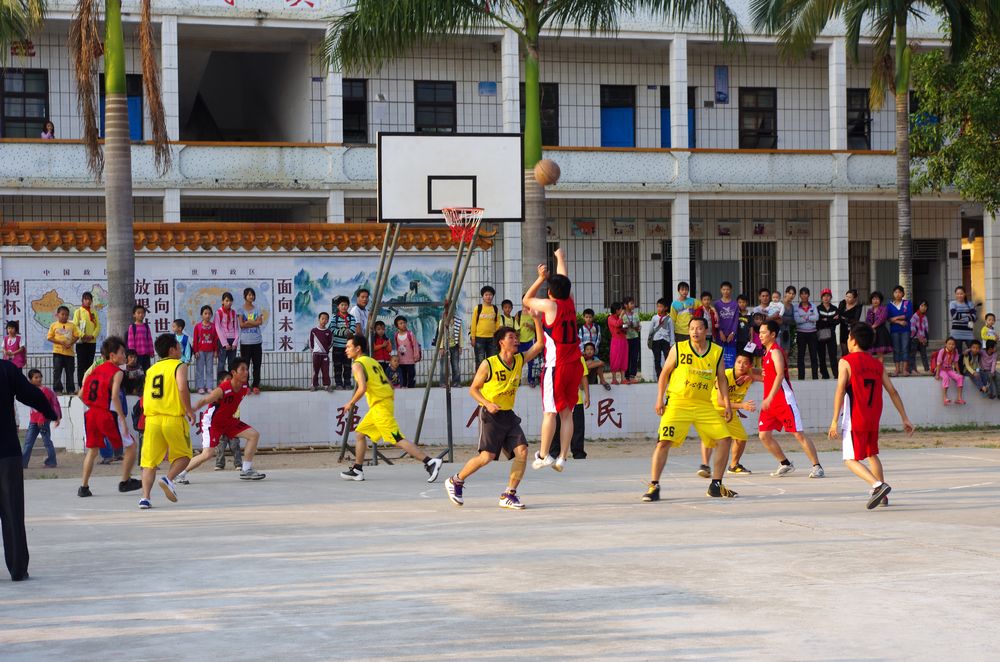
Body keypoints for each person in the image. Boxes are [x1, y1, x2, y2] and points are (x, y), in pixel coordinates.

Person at [444, 319, 545, 509]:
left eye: (516, 337)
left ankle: (509, 494)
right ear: (501, 342)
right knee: (487, 457)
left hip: (508, 415)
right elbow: (473, 389)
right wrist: (487, 403)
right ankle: (456, 480)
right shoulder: (489, 364)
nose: (516, 340)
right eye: (511, 337)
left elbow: (539, 344)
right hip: (490, 416)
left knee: (523, 451)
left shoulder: (519, 359)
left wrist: (537, 320)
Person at [643, 317, 737, 502]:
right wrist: (659, 399)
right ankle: (654, 485)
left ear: (706, 331)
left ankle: (716, 485)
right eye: (692, 328)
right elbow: (664, 374)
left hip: (704, 405)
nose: (695, 331)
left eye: (699, 328)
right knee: (663, 442)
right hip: (678, 403)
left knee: (725, 439)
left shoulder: (716, 351)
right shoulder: (679, 348)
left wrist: (727, 404)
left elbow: (722, 379)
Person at [828, 322, 915, 509]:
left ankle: (878, 486)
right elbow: (892, 391)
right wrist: (904, 417)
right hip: (873, 417)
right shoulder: (877, 364)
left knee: (849, 459)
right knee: (871, 453)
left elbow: (840, 390)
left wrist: (834, 420)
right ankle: (883, 496)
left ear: (853, 340)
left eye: (848, 337)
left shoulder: (846, 361)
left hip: (856, 417)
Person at [339, 335, 443, 482]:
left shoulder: (357, 364)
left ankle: (430, 462)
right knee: (360, 434)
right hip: (381, 404)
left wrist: (350, 403)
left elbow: (362, 388)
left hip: (380, 407)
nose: (346, 349)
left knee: (396, 438)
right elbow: (389, 383)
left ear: (358, 349)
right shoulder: (372, 361)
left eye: (348, 347)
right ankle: (357, 469)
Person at [524, 248, 583, 472]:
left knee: (550, 412)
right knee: (567, 413)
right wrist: (560, 258)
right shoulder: (570, 302)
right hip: (575, 366)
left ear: (550, 292)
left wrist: (540, 278)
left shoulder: (551, 306)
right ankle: (563, 458)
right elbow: (564, 279)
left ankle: (543, 455)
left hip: (556, 367)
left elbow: (527, 299)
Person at [0, 357, 58, 581]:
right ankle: (17, 568)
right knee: (12, 511)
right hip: (7, 451)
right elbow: (30, 394)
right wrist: (50, 412)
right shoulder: (6, 369)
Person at [176, 358, 266, 482]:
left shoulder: (244, 386)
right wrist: (191, 410)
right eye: (242, 369)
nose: (246, 372)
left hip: (228, 421)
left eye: (247, 369)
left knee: (254, 435)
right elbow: (204, 400)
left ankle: (246, 470)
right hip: (212, 422)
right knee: (207, 454)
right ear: (234, 373)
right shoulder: (223, 389)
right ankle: (179, 474)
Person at [757, 320, 825, 478]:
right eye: (759, 332)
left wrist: (770, 397)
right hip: (770, 402)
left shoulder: (775, 352)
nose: (760, 335)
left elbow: (780, 375)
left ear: (773, 334)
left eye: (763, 332)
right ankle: (785, 463)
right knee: (764, 435)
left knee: (798, 434)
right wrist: (750, 375)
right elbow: (768, 377)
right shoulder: (766, 354)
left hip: (783, 400)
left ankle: (817, 466)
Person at [78, 336, 143, 497]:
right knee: (131, 446)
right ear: (112, 355)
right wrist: (122, 418)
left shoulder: (95, 370)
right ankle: (125, 481)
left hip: (91, 414)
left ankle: (83, 487)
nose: (124, 356)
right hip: (106, 414)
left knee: (92, 451)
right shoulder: (117, 372)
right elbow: (114, 397)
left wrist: (94, 404)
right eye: (122, 353)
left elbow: (80, 394)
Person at [138, 334, 197, 510]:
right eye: (179, 346)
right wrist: (189, 410)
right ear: (172, 350)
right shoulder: (179, 365)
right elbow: (182, 388)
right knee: (185, 456)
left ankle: (145, 498)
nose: (181, 349)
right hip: (172, 418)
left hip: (152, 420)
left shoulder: (151, 369)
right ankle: (168, 479)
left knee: (149, 462)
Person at [698, 351, 761, 475]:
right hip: (714, 410)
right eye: (738, 362)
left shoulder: (748, 376)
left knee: (741, 438)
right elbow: (721, 402)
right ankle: (705, 466)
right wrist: (742, 406)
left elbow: (769, 376)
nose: (741, 365)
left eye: (745, 363)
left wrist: (752, 376)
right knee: (709, 438)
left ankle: (733, 466)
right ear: (734, 363)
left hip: (730, 413)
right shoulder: (725, 375)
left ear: (750, 366)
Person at [552, 354, 590, 460]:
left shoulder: (579, 358)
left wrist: (587, 395)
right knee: (556, 426)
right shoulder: (555, 356)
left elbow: (583, 377)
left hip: (576, 400)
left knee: (578, 428)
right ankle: (555, 453)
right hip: (559, 399)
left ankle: (578, 453)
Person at [21, 369, 61, 468]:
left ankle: (52, 462)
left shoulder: (45, 391)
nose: (39, 379)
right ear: (30, 380)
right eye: (36, 377)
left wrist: (41, 418)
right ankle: (23, 463)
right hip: (33, 421)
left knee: (47, 442)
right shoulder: (30, 390)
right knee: (28, 442)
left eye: (40, 377)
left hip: (43, 421)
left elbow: (45, 406)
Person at [47, 305, 81, 394]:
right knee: (57, 372)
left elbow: (77, 336)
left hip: (69, 354)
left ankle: (70, 390)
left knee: (70, 372)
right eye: (62, 314)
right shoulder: (53, 325)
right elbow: (49, 337)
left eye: (66, 315)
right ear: (57, 314)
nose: (64, 316)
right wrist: (60, 342)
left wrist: (71, 343)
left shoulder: (72, 325)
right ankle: (58, 390)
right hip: (57, 352)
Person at [238, 287, 264, 394]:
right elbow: (241, 325)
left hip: (257, 341)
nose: (251, 296)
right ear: (245, 296)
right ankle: (245, 385)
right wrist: (254, 322)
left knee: (257, 365)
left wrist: (248, 322)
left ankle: (256, 385)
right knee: (245, 365)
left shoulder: (257, 309)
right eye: (249, 295)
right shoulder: (240, 310)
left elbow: (260, 322)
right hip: (245, 342)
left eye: (252, 295)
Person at [72, 292, 101, 387]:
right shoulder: (78, 312)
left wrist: (93, 336)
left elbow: (98, 326)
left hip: (92, 342)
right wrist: (83, 335)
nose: (88, 301)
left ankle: (89, 385)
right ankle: (81, 386)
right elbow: (75, 326)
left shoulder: (94, 312)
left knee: (90, 365)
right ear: (82, 300)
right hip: (81, 342)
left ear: (91, 301)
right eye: (86, 299)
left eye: (89, 299)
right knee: (81, 365)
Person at [330, 296, 357, 390]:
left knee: (347, 366)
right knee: (337, 366)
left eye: (346, 305)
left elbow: (353, 329)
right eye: (342, 305)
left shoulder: (351, 318)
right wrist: (344, 332)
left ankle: (347, 383)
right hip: (337, 346)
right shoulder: (334, 318)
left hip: (348, 347)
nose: (344, 307)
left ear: (348, 306)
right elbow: (332, 329)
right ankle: (338, 384)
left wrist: (345, 332)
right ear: (338, 306)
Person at [793, 287, 819, 380]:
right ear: (800, 295)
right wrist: (810, 317)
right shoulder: (796, 306)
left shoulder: (813, 306)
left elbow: (816, 317)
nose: (804, 296)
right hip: (801, 333)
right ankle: (801, 377)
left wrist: (805, 317)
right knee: (801, 356)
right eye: (802, 294)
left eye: (806, 294)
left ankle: (815, 377)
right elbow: (797, 320)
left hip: (812, 333)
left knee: (813, 355)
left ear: (809, 295)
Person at [887, 286, 913, 377]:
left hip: (905, 330)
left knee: (905, 348)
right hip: (894, 330)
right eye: (896, 292)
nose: (897, 294)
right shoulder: (889, 305)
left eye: (899, 292)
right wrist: (899, 321)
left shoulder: (907, 303)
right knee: (896, 349)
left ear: (903, 294)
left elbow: (909, 314)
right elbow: (888, 318)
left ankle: (905, 369)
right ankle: (897, 369)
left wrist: (895, 318)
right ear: (893, 294)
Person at [470, 286, 499, 367]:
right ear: (483, 296)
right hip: (479, 338)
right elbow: (473, 324)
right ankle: (480, 375)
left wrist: (497, 337)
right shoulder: (478, 308)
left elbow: (497, 324)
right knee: (480, 361)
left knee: (492, 360)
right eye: (486, 295)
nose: (488, 297)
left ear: (493, 296)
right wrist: (473, 338)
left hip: (492, 338)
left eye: (490, 295)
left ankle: (490, 375)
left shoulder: (495, 309)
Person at [192, 305, 218, 394]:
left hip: (210, 351)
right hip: (200, 351)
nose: (207, 315)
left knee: (209, 369)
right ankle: (200, 387)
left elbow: (215, 340)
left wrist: (215, 351)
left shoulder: (213, 326)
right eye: (205, 313)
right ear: (201, 315)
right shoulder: (198, 326)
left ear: (211, 315)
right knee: (200, 369)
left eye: (209, 314)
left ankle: (209, 386)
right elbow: (195, 340)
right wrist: (195, 351)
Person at [215, 292, 240, 379]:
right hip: (223, 341)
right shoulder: (218, 312)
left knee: (232, 364)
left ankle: (232, 383)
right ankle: (220, 383)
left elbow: (236, 328)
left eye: (230, 301)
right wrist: (224, 343)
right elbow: (218, 328)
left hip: (232, 340)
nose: (229, 303)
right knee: (221, 363)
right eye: (227, 300)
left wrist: (235, 342)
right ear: (222, 301)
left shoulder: (233, 312)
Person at [714, 282, 740, 368]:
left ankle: (730, 372)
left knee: (730, 356)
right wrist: (720, 332)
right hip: (720, 334)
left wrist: (732, 333)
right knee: (720, 354)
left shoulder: (735, 304)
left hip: (731, 335)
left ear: (731, 290)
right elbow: (716, 320)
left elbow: (736, 320)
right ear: (721, 290)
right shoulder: (716, 304)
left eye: (728, 289)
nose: (726, 291)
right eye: (724, 289)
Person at [816, 288, 840, 379]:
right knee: (821, 355)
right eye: (824, 296)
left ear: (831, 297)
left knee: (833, 355)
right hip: (820, 334)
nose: (826, 298)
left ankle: (836, 374)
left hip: (831, 334)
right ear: (821, 297)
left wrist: (825, 320)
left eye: (828, 296)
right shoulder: (818, 308)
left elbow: (837, 321)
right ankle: (824, 375)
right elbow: (818, 322)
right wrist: (831, 320)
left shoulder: (834, 308)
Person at [933, 337, 965, 405]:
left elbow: (956, 362)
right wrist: (937, 374)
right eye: (949, 344)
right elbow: (938, 363)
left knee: (960, 377)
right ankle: (945, 398)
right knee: (946, 378)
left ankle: (959, 398)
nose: (951, 346)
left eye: (953, 344)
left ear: (955, 345)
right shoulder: (942, 351)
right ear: (946, 344)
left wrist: (959, 373)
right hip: (941, 369)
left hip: (949, 369)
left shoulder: (955, 351)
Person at [649, 297, 674, 377]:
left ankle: (668, 375)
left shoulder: (669, 319)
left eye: (661, 306)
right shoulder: (654, 318)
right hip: (656, 340)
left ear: (666, 308)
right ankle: (659, 376)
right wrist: (650, 340)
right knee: (657, 359)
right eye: (658, 306)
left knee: (668, 358)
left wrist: (672, 343)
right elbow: (651, 330)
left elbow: (671, 331)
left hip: (666, 340)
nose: (659, 308)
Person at [393, 315, 421, 388]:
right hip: (401, 361)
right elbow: (397, 347)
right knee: (403, 376)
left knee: (411, 375)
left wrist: (416, 356)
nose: (403, 325)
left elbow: (415, 345)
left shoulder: (410, 334)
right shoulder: (396, 335)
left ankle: (411, 389)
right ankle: (404, 388)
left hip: (410, 360)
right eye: (401, 323)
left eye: (404, 323)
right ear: (397, 326)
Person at [435, 315, 462, 387]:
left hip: (455, 346)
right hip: (445, 346)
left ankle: (456, 382)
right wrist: (441, 347)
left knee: (456, 365)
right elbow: (440, 336)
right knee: (444, 366)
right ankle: (443, 382)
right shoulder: (442, 321)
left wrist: (460, 346)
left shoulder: (457, 321)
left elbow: (460, 335)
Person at [949, 286, 977, 356]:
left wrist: (961, 315)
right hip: (956, 332)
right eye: (957, 294)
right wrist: (967, 315)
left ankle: (971, 363)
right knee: (958, 354)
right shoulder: (953, 303)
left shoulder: (970, 303)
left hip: (968, 332)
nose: (959, 295)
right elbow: (954, 316)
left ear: (964, 294)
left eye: (961, 293)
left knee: (973, 351)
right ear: (955, 295)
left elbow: (974, 317)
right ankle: (959, 363)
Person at [126, 304, 155, 371]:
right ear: (134, 315)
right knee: (137, 371)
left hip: (146, 354)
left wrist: (151, 352)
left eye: (142, 313)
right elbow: (131, 342)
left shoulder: (146, 326)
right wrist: (132, 355)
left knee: (146, 371)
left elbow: (149, 340)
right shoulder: (132, 327)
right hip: (137, 355)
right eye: (138, 313)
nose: (141, 315)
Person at [515, 308, 539, 387]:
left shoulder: (533, 314)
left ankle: (530, 379)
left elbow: (538, 328)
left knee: (530, 361)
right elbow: (515, 328)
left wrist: (530, 326)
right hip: (520, 342)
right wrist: (516, 339)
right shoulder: (518, 314)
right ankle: (517, 380)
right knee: (519, 361)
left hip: (530, 341)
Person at [310, 311, 333, 391]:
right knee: (315, 370)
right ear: (319, 319)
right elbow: (311, 342)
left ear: (328, 321)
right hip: (316, 355)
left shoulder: (328, 331)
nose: (324, 320)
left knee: (325, 370)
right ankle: (314, 385)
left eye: (326, 319)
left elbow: (330, 343)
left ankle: (326, 385)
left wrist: (325, 350)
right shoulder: (314, 331)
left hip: (325, 355)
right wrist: (314, 351)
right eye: (322, 319)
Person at [607, 301, 628, 385]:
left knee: (624, 358)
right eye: (621, 309)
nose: (622, 311)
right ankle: (614, 379)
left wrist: (626, 326)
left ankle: (623, 379)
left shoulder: (620, 317)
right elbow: (616, 324)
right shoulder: (610, 318)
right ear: (617, 310)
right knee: (615, 358)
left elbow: (623, 326)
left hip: (623, 340)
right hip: (616, 341)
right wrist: (621, 316)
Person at [866, 292, 891, 359]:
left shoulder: (884, 309)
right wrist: (870, 328)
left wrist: (872, 327)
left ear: (880, 300)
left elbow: (881, 319)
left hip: (881, 332)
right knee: (869, 353)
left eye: (877, 299)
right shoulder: (869, 310)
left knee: (880, 353)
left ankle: (880, 366)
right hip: (871, 332)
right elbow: (867, 321)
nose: (875, 301)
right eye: (873, 299)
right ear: (871, 300)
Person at [622, 296, 641, 383]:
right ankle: (626, 376)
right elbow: (621, 327)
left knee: (634, 357)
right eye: (631, 303)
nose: (633, 305)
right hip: (626, 339)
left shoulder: (636, 315)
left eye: (633, 303)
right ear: (626, 305)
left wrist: (635, 326)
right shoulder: (622, 315)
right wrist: (627, 325)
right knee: (626, 357)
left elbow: (639, 328)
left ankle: (632, 376)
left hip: (635, 338)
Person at [838, 289, 863, 356]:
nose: (847, 298)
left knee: (852, 350)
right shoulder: (842, 303)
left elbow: (856, 319)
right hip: (843, 328)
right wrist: (844, 319)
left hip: (852, 329)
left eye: (850, 297)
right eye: (846, 296)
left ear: (855, 298)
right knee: (844, 350)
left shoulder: (858, 306)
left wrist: (844, 318)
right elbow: (838, 315)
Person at [909, 300, 930, 374]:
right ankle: (913, 369)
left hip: (923, 339)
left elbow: (926, 329)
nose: (923, 308)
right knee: (913, 354)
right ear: (919, 306)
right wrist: (919, 337)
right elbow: (912, 329)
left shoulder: (925, 317)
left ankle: (927, 369)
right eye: (922, 306)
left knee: (924, 354)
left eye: (925, 306)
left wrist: (926, 338)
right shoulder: (914, 316)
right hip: (915, 338)